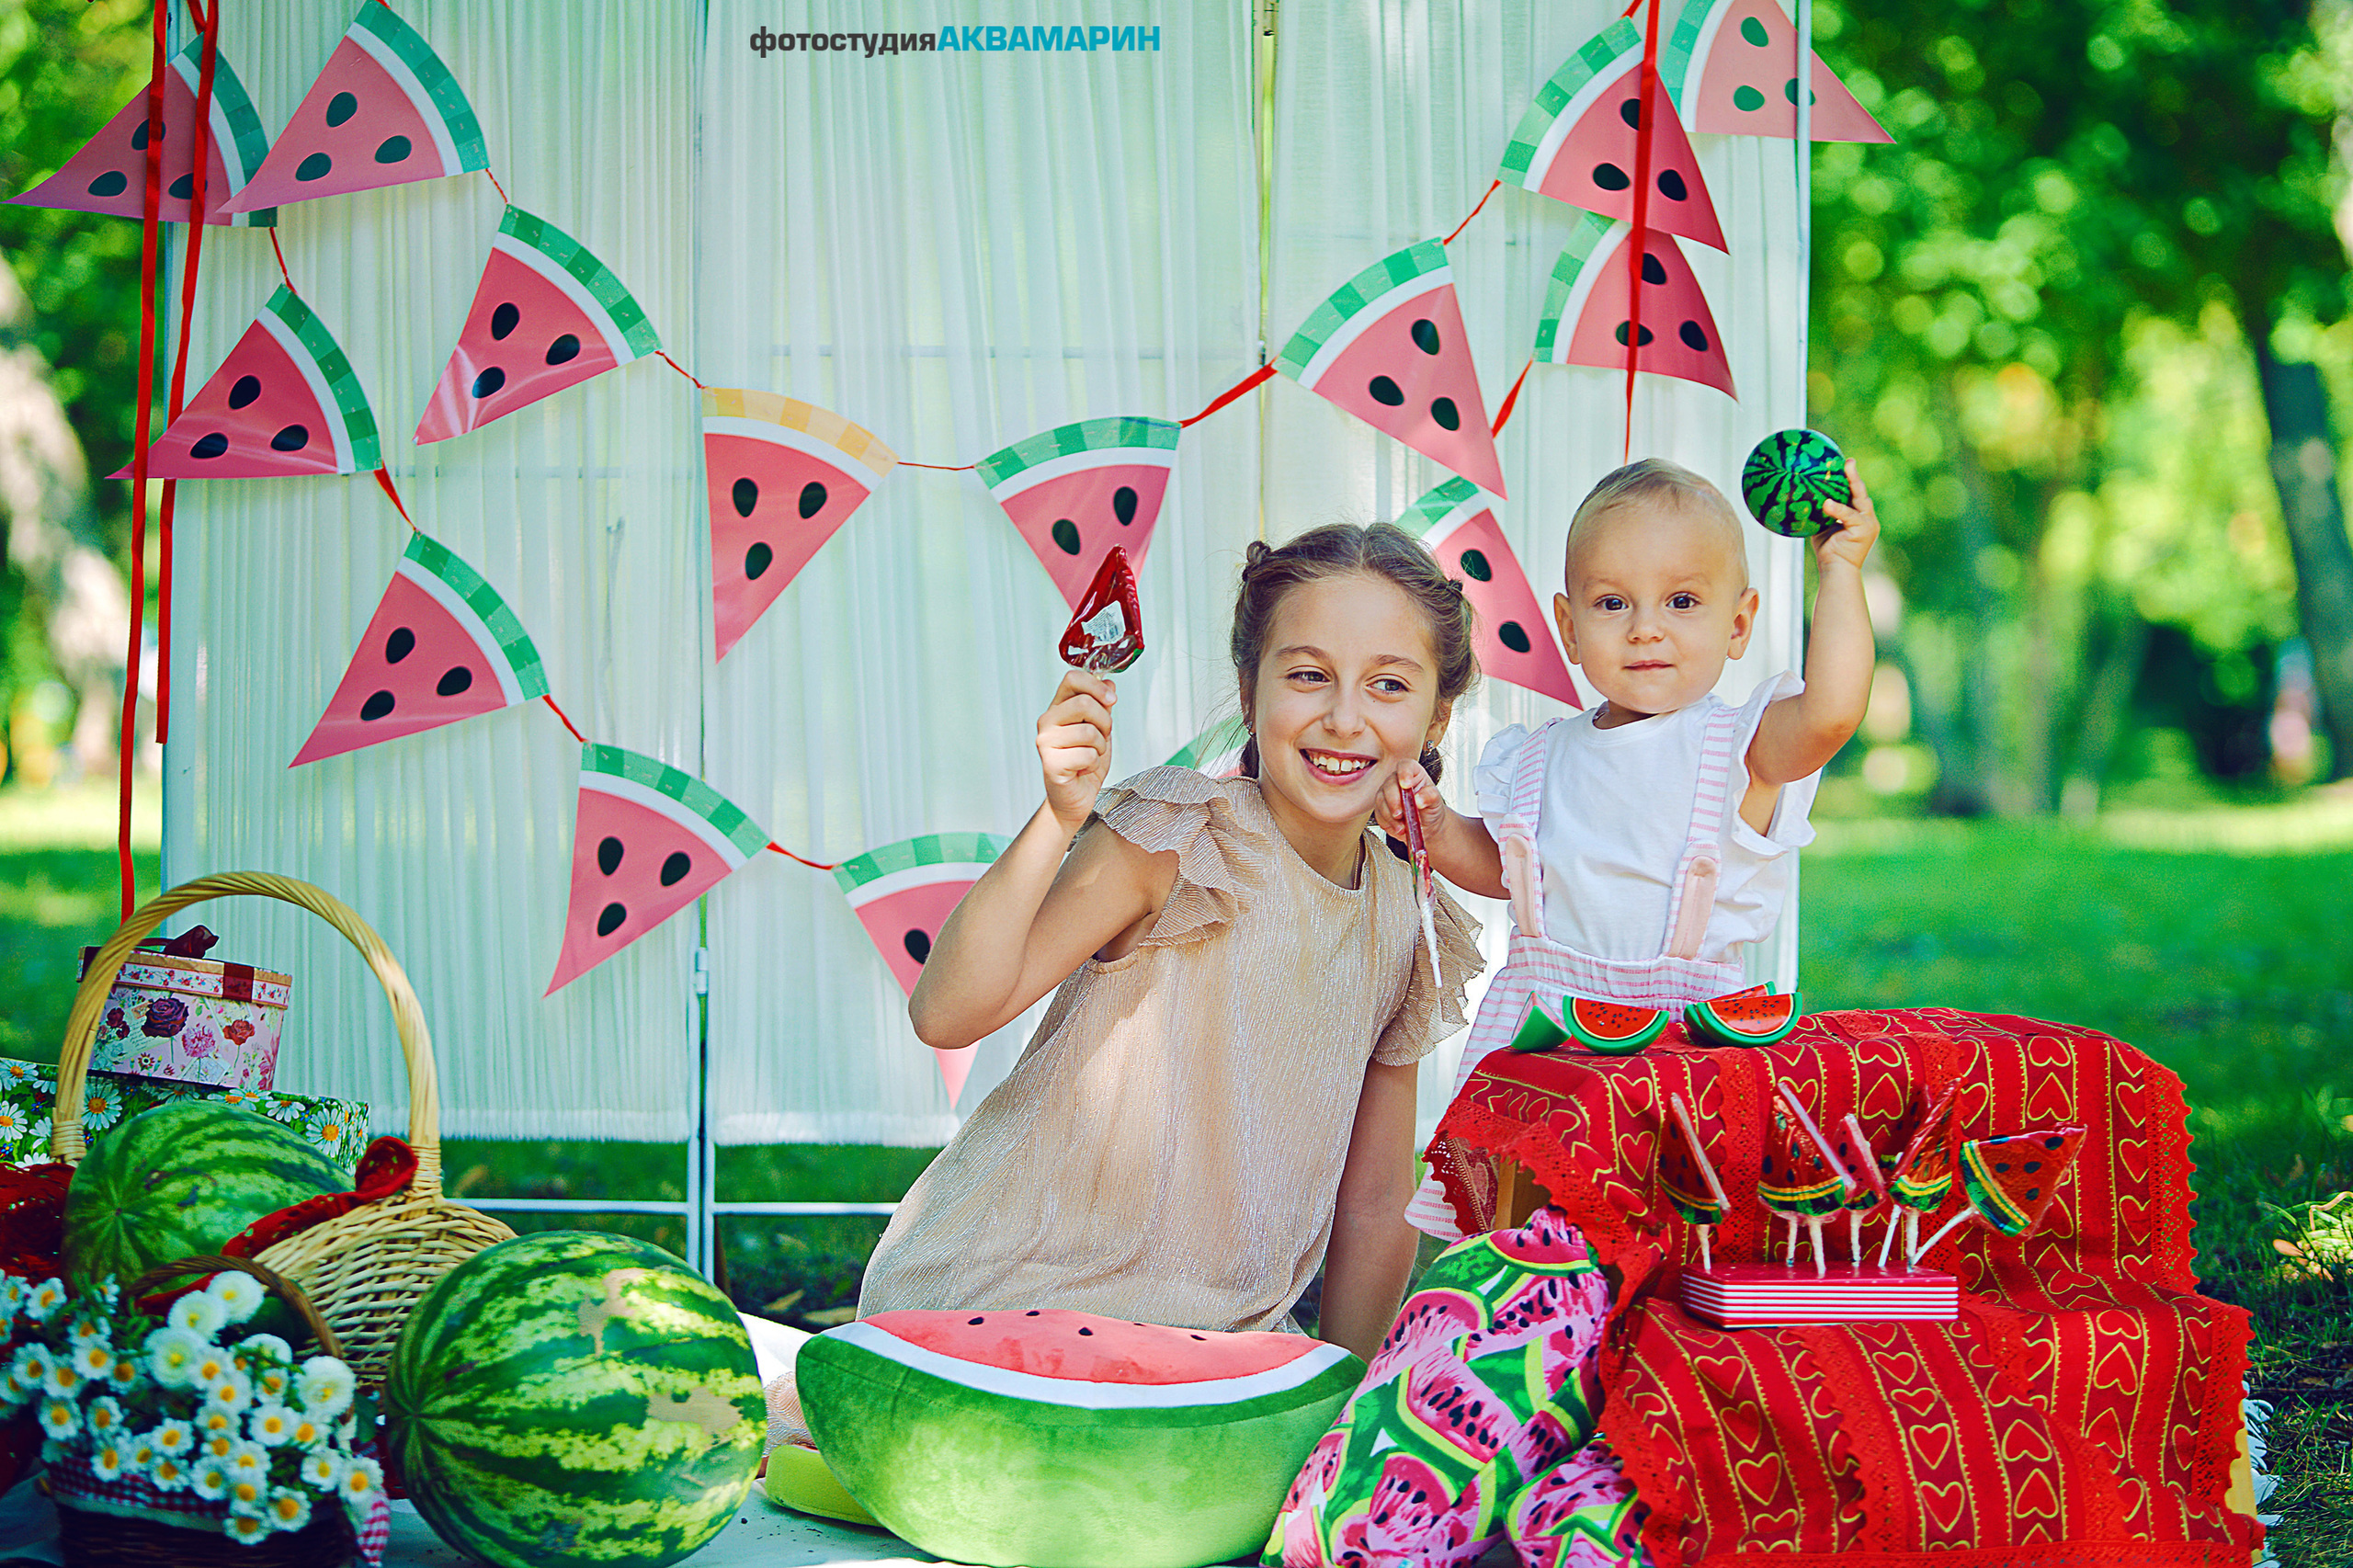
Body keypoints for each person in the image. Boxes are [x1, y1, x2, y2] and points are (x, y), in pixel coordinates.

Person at [756, 521, 1486, 1457]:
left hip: (1208, 1346)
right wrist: (1055, 818)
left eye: (1388, 684)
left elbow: (1378, 1198)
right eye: (1307, 674)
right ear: (1248, 692)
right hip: (1007, 1291)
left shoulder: (1406, 913)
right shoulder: (1178, 836)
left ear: (1434, 721)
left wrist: (1340, 1417)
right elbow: (946, 1011)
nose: (1345, 717)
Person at [1382, 455, 1880, 1240]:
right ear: (1570, 626)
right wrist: (1437, 828)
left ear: (1739, 624)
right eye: (1613, 603)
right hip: (1542, 1042)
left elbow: (1831, 715)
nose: (1646, 627)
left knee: (1668, 1239)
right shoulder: (1539, 755)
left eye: (1683, 601)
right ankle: (1518, 1341)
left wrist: (1842, 571)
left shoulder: (1740, 747)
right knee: (1517, 1241)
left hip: (1685, 1047)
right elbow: (1508, 874)